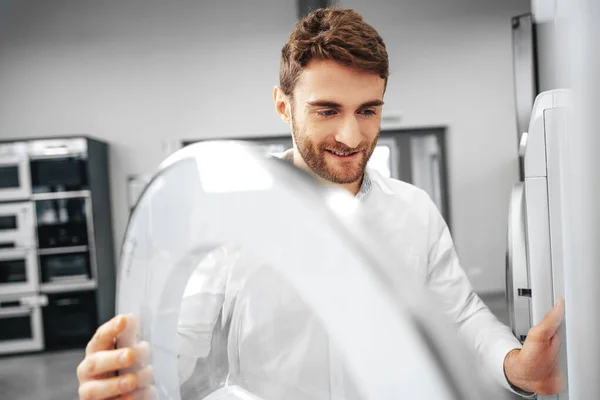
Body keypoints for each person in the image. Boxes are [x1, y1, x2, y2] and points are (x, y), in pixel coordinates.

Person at [76, 7, 565, 400]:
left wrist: (515, 365)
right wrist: (126, 378)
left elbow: (459, 317)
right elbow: (177, 339)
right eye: (327, 110)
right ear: (283, 104)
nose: (351, 135)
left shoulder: (413, 211)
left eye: (368, 111)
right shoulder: (229, 217)